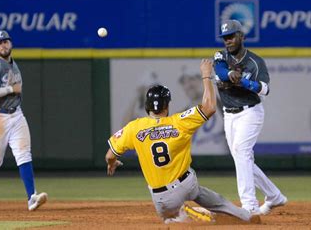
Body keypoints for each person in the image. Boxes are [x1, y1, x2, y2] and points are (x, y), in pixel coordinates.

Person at [105, 59, 259, 224]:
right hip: (186, 184)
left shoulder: (134, 128)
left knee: (169, 217)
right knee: (199, 192)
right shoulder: (179, 121)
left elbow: (109, 155)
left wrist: (111, 163)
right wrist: (206, 76)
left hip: (161, 199)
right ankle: (242, 215)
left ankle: (179, 217)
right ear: (167, 105)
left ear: (147, 106)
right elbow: (209, 107)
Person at [213, 19, 287, 215]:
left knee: (241, 152)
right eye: (225, 37)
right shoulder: (221, 56)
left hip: (250, 112)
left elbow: (266, 89)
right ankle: (275, 196)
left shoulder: (255, 61)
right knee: (241, 158)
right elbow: (219, 71)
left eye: (231, 36)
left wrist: (247, 83)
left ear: (241, 36)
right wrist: (230, 74)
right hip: (229, 115)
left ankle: (249, 206)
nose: (227, 41)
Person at [0, 30, 48, 211]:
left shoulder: (13, 64)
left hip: (16, 115)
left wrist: (12, 90)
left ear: (11, 43)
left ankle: (32, 197)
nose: (3, 45)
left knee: (24, 154)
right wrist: (10, 89)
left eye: (6, 41)